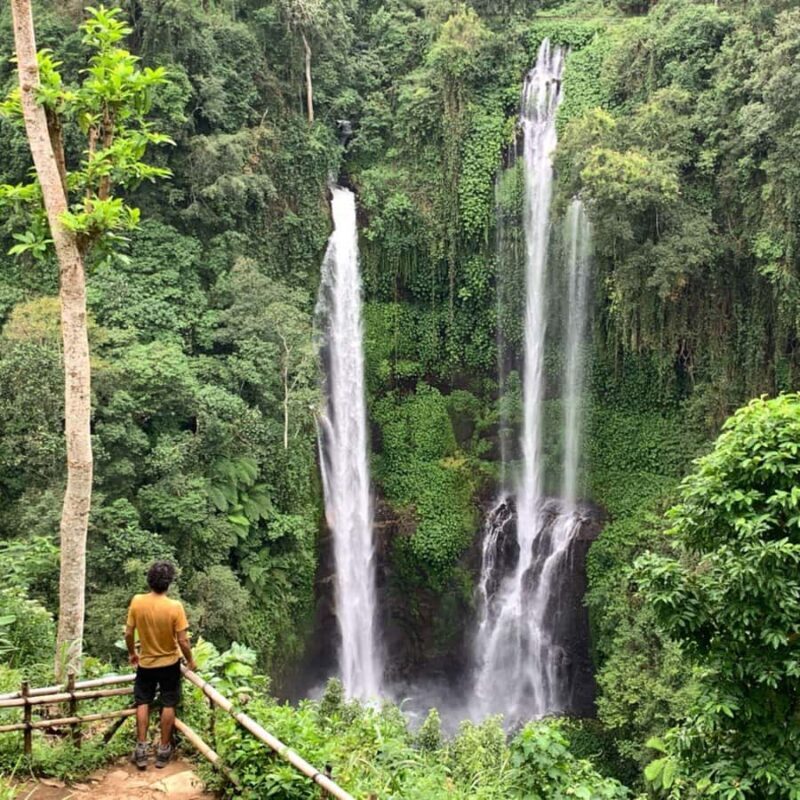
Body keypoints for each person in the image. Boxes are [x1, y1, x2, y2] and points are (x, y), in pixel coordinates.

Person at [124, 561, 197, 771]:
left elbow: (129, 633)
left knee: (143, 701)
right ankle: (163, 750)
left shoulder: (137, 602)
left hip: (146, 662)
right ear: (169, 583)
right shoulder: (175, 607)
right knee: (168, 703)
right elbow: (183, 641)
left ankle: (141, 749)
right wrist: (191, 660)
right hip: (169, 664)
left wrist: (132, 653)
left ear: (149, 580)